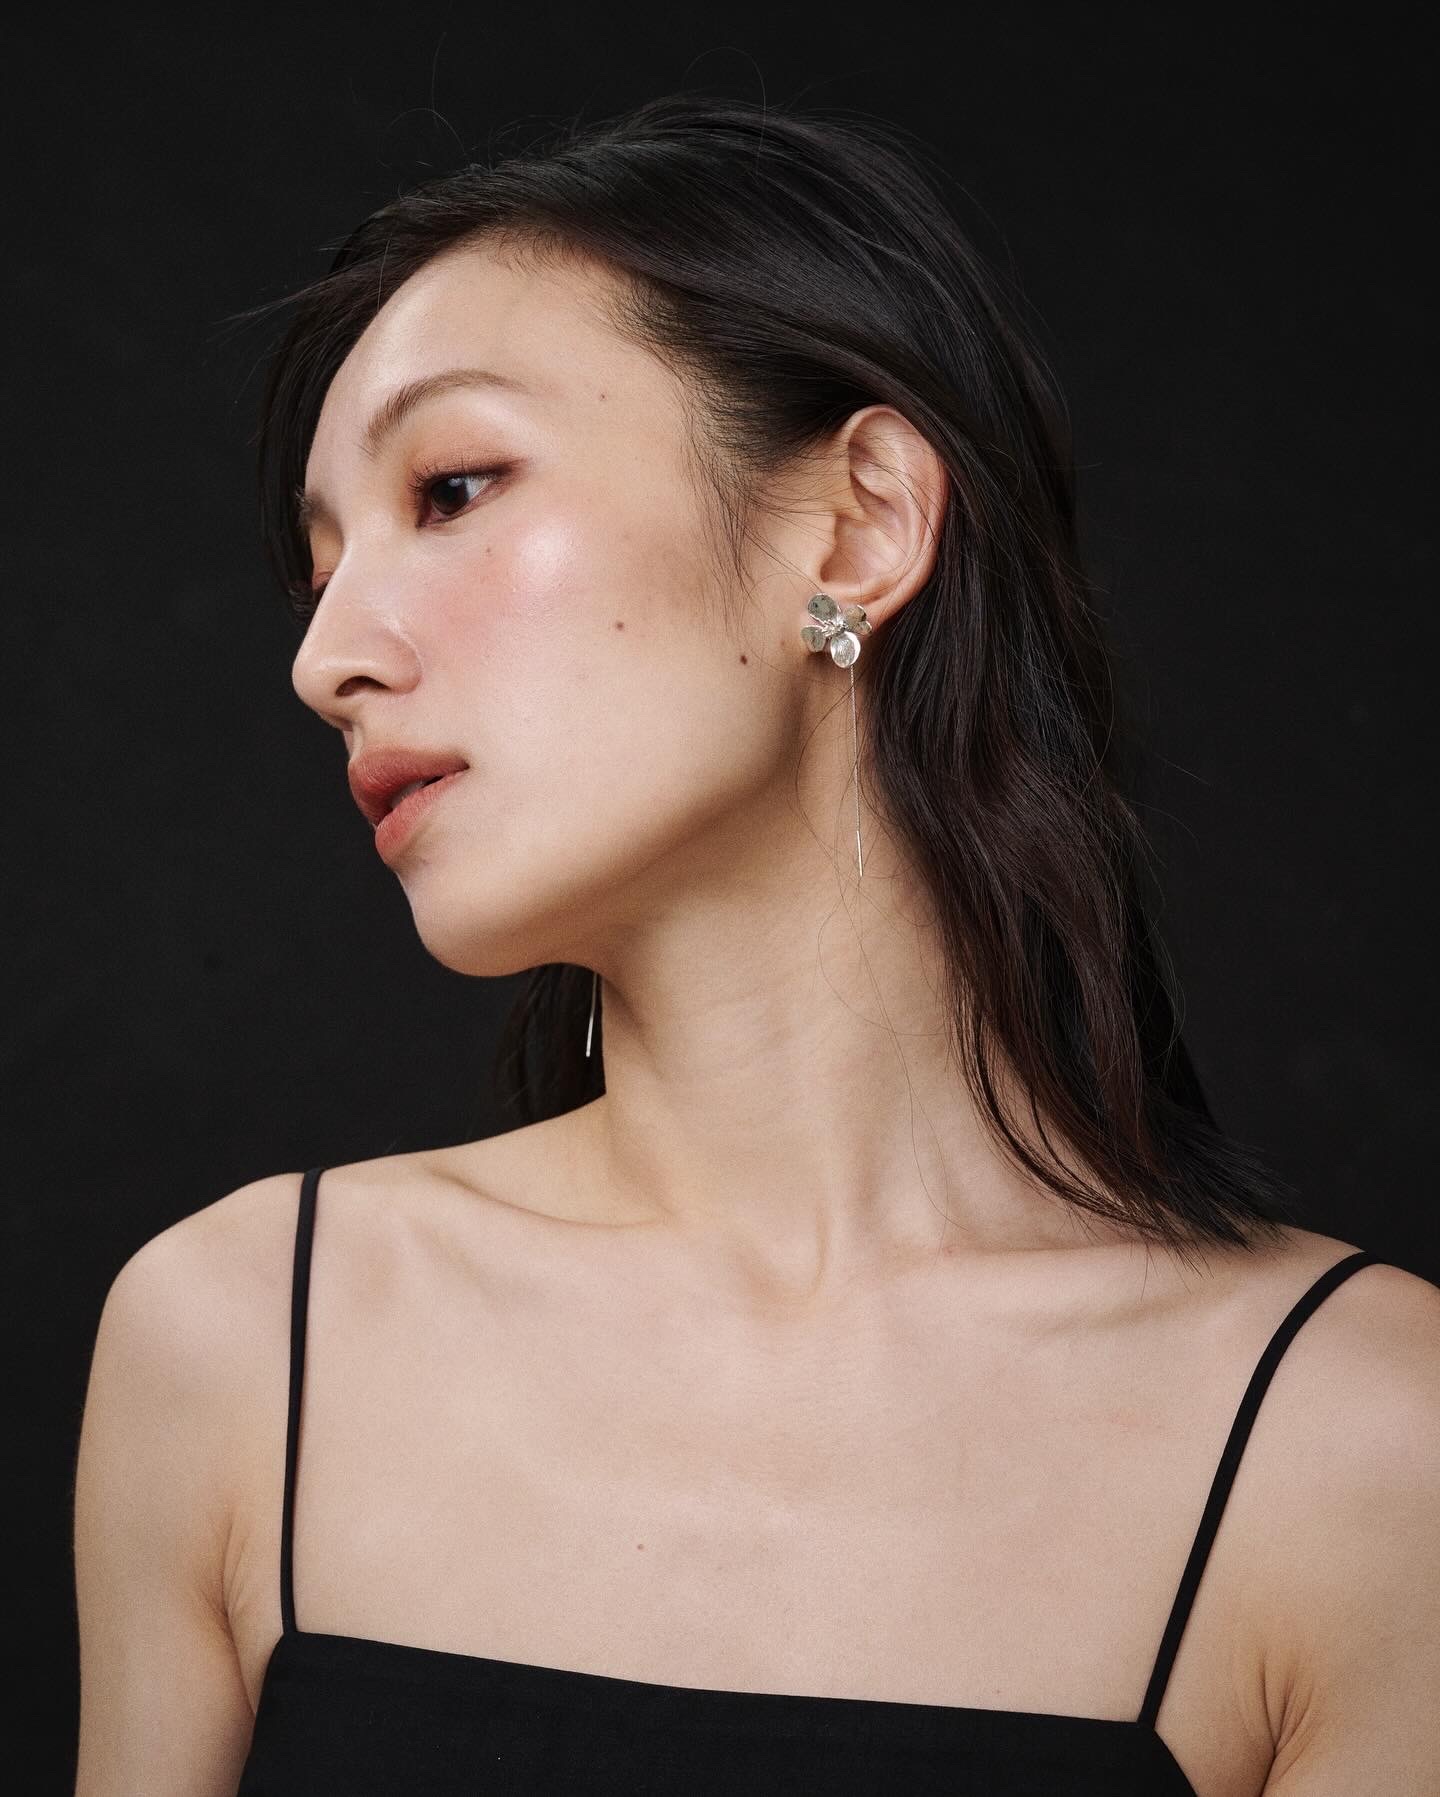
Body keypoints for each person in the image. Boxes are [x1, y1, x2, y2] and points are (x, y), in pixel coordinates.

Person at [72, 95, 1439, 1795]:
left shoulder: (1360, 1447)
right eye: (320, 568)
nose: (325, 657)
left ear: (858, 526)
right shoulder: (239, 1344)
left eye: (454, 486)